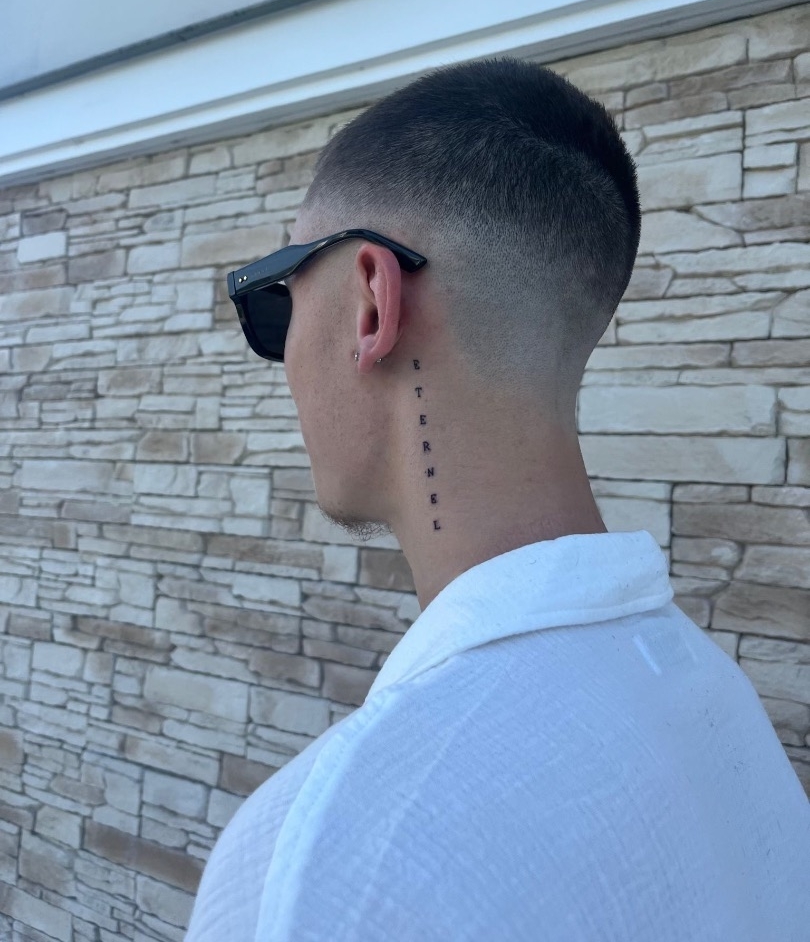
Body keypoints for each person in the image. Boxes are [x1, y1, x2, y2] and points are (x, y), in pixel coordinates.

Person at [186, 58, 810, 941]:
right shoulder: (717, 708)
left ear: (371, 302)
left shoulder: (333, 858)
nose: (281, 358)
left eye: (279, 302)